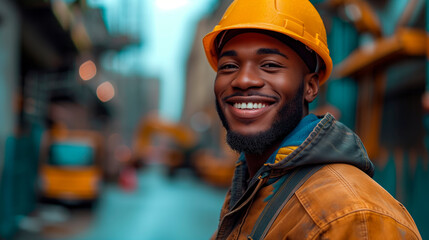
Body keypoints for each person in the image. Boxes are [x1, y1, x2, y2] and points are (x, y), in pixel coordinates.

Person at [202, 0, 422, 239]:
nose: (243, 80)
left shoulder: (353, 217)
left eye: (270, 65)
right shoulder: (251, 189)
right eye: (229, 66)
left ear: (310, 87)